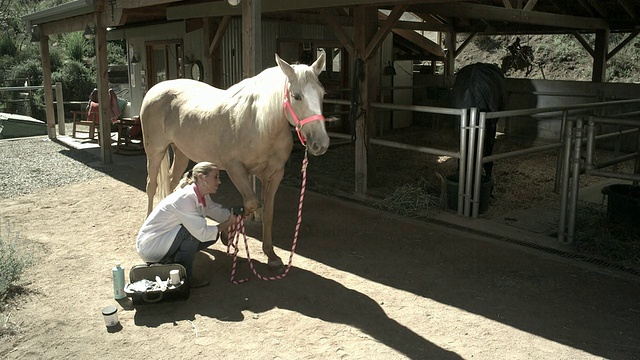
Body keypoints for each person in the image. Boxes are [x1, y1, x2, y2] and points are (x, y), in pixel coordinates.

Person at [136, 162, 237, 288]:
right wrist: (228, 223)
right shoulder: (185, 198)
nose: (219, 182)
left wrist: (235, 216)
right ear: (202, 178)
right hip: (151, 246)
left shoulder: (200, 194)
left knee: (212, 234)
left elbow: (213, 209)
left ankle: (170, 261)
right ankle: (185, 277)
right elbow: (202, 233)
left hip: (161, 240)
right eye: (216, 177)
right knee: (193, 233)